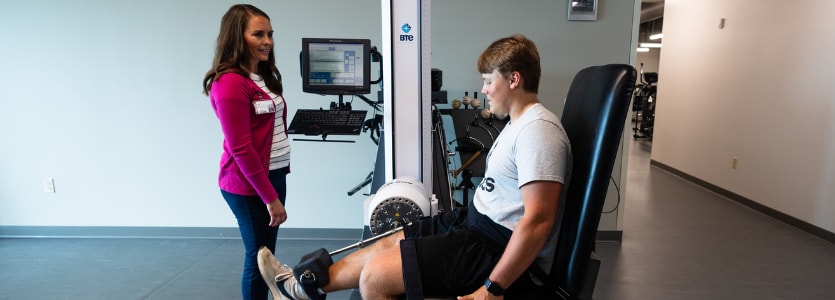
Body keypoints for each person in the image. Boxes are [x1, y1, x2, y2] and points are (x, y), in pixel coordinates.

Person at [257, 34, 571, 300]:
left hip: (492, 247)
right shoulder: (519, 125)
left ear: (514, 79)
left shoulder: (538, 131)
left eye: (489, 81)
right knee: (388, 241)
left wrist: (493, 286)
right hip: (474, 225)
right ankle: (298, 289)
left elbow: (538, 221)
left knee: (376, 279)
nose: (485, 89)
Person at [203, 4, 291, 300]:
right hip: (248, 185)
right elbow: (241, 149)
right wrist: (271, 199)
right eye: (258, 34)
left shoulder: (262, 76)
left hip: (274, 177)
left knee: (267, 256)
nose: (267, 41)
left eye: (270, 34)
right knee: (259, 257)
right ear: (237, 37)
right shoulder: (229, 83)